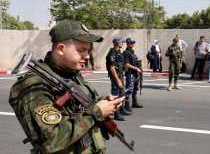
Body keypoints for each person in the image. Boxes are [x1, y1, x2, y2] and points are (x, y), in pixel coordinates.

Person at [9, 20, 125, 153]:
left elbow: (80, 107)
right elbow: (50, 141)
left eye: (88, 50)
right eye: (81, 50)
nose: (87, 56)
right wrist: (96, 112)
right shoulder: (33, 85)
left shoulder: (72, 74)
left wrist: (103, 102)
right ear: (61, 49)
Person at [106, 36, 130, 120]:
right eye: (121, 42)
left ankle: (122, 109)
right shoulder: (112, 54)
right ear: (117, 43)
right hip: (116, 77)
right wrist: (118, 81)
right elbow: (112, 69)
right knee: (116, 95)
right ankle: (116, 113)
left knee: (122, 94)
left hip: (120, 76)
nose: (122, 43)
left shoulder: (119, 52)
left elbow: (121, 64)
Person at [123, 37, 143, 112]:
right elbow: (127, 64)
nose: (132, 44)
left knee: (135, 88)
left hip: (135, 73)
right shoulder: (126, 53)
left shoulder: (132, 52)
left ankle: (135, 102)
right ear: (127, 43)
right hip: (130, 73)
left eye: (133, 43)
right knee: (129, 89)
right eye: (131, 43)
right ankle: (127, 104)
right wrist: (136, 68)